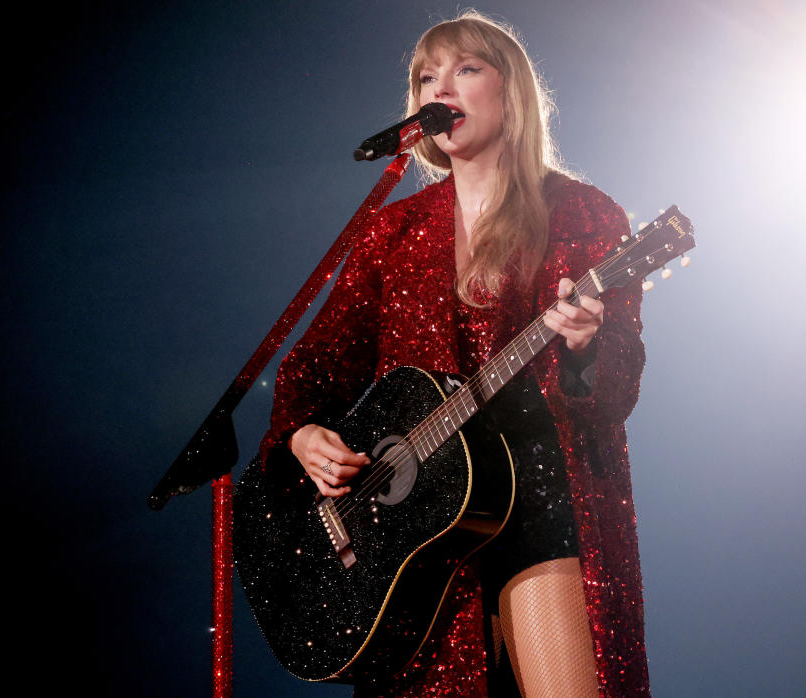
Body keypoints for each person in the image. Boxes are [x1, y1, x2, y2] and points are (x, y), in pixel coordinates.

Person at [259, 11, 649, 697]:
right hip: (415, 535)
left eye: (465, 68)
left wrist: (585, 345)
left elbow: (614, 392)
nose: (439, 88)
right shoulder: (391, 230)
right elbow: (315, 363)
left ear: (511, 92)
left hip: (543, 498)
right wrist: (302, 433)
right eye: (424, 77)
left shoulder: (584, 214)